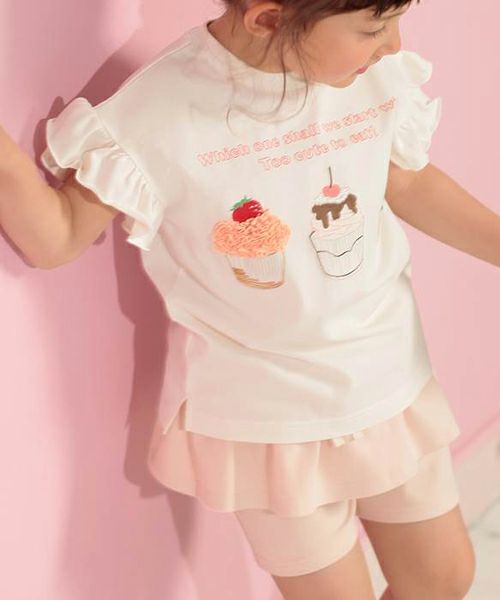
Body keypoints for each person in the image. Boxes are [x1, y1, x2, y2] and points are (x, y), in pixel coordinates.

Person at [1, 0, 484, 597]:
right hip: (269, 420)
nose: (393, 45)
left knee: (443, 575)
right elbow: (58, 235)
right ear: (268, 19)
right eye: (373, 29)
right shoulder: (160, 111)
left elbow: (405, 179)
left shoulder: (366, 72)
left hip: (387, 378)